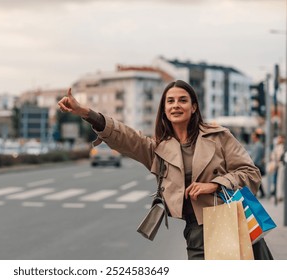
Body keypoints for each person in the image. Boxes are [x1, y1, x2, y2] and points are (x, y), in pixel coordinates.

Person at [58, 80, 270, 260]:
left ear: (194, 107)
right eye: (170, 101)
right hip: (196, 230)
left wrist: (214, 185)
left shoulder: (219, 137)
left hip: (230, 222)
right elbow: (124, 136)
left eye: (182, 100)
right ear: (165, 109)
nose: (176, 105)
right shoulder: (158, 149)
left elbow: (251, 173)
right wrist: (86, 113)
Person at [251, 132, 266, 198]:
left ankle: (256, 193)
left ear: (256, 137)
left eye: (253, 137)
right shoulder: (258, 145)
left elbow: (256, 157)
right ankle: (259, 193)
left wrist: (251, 164)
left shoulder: (258, 145)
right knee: (256, 179)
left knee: (255, 179)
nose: (252, 138)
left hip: (257, 165)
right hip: (257, 164)